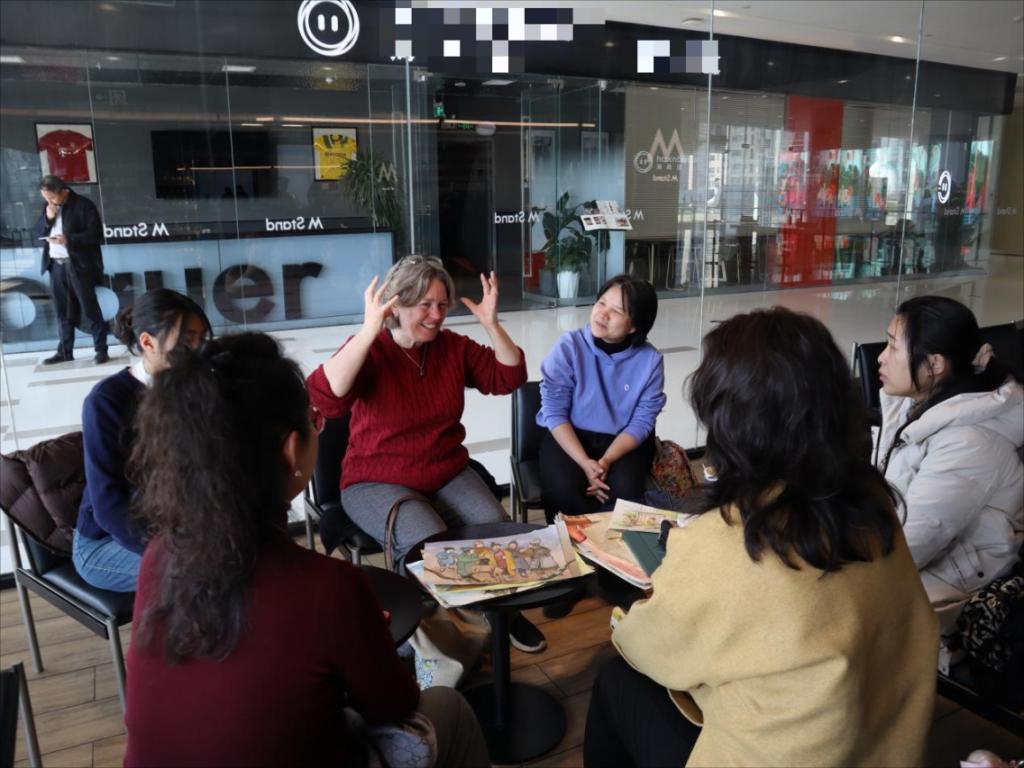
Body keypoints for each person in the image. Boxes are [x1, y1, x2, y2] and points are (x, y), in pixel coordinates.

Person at [584, 307, 939, 767]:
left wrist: (629, 615)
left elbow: (648, 648)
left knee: (617, 680)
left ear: (731, 422)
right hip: (885, 747)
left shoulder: (729, 540)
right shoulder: (873, 502)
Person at [124, 333, 490, 768]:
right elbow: (396, 704)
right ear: (290, 449)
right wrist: (362, 639)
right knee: (449, 706)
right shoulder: (329, 588)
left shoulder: (158, 556)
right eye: (314, 419)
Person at [307, 255, 546, 652]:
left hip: (444, 470)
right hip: (374, 480)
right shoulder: (372, 350)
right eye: (425, 305)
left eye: (442, 304)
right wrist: (367, 333)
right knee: (428, 543)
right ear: (396, 305)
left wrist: (491, 325)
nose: (436, 315)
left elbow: (509, 377)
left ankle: (499, 613)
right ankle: (434, 635)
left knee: (495, 527)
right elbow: (324, 398)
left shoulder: (452, 348)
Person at [876, 295, 1023, 634]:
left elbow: (907, 548)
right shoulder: (916, 405)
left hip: (947, 595)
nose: (881, 357)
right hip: (912, 564)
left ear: (935, 364)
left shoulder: (970, 443)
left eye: (892, 347)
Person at [73, 289, 211, 592]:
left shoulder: (197, 388)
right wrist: (177, 551)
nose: (197, 349)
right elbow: (108, 506)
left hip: (179, 528)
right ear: (148, 342)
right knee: (204, 575)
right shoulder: (107, 400)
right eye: (187, 340)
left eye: (201, 339)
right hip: (106, 543)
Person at [537, 274, 666, 519]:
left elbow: (642, 421)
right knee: (565, 492)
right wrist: (585, 463)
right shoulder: (569, 347)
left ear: (635, 325)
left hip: (621, 441)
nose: (603, 313)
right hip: (570, 435)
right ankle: (569, 542)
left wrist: (605, 461)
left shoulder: (650, 361)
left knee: (625, 493)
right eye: (602, 303)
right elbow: (554, 412)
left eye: (616, 310)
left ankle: (614, 545)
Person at [35, 175, 109, 364]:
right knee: (62, 311)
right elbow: (38, 233)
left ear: (63, 191)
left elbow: (96, 235)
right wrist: (48, 218)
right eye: (46, 198)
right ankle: (65, 352)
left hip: (78, 266)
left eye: (52, 197)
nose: (50, 201)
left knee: (89, 309)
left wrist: (69, 239)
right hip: (56, 265)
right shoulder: (48, 207)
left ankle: (101, 350)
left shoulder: (83, 205)